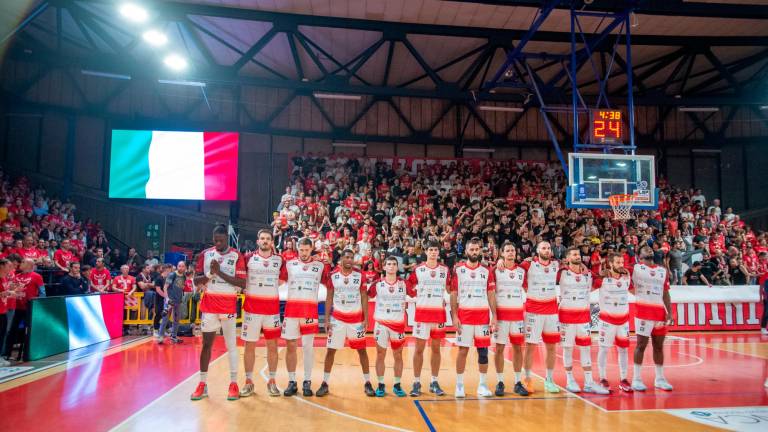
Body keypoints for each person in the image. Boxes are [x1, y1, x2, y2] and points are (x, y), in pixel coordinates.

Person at [190, 224, 247, 401]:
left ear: (227, 239)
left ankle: (233, 383)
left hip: (228, 304)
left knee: (231, 345)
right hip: (209, 305)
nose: (218, 243)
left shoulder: (236, 255)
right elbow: (196, 280)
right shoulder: (205, 254)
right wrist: (210, 274)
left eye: (221, 240)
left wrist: (219, 272)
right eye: (215, 240)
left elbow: (242, 283)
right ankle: (202, 383)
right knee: (206, 345)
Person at [316, 249, 375, 397]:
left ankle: (368, 383)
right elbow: (329, 297)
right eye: (346, 257)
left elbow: (364, 297)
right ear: (341, 258)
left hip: (356, 320)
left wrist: (366, 318)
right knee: (331, 351)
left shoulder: (359, 275)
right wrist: (327, 319)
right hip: (337, 319)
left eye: (352, 257)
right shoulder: (333, 275)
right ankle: (325, 383)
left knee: (362, 351)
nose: (349, 259)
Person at [279, 237, 330, 397]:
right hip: (292, 311)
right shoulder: (289, 264)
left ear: (311, 249)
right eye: (301, 250)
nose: (304, 253)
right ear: (297, 249)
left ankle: (307, 381)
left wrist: (329, 262)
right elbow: (279, 281)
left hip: (309, 311)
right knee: (291, 347)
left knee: (308, 348)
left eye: (307, 250)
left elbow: (329, 284)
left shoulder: (320, 266)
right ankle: (292, 381)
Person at [557, 247, 608, 394]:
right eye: (573, 254)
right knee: (568, 348)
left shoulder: (588, 274)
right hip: (566, 316)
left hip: (583, 317)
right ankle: (570, 380)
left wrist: (606, 272)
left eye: (578, 254)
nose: (577, 256)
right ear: (567, 258)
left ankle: (589, 382)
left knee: (585, 348)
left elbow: (599, 280)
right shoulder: (561, 273)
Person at [450, 237, 497, 398]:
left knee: (483, 352)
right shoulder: (458, 270)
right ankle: (459, 385)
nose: (474, 252)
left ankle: (482, 385)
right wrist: (454, 316)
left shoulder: (486, 271)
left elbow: (491, 295)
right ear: (466, 251)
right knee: (462, 351)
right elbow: (454, 294)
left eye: (477, 249)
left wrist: (494, 316)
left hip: (483, 317)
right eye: (472, 249)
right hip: (465, 316)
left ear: (480, 251)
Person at [240, 230, 283, 398]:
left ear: (272, 242)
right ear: (258, 241)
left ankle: (272, 381)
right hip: (252, 310)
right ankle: (248, 382)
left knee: (272, 346)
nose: (265, 241)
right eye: (262, 238)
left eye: (268, 239)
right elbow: (241, 279)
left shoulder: (279, 260)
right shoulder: (248, 258)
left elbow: (281, 281)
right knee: (249, 346)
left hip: (271, 311)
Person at [406, 240, 450, 397]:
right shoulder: (418, 269)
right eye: (430, 249)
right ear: (426, 251)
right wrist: (416, 295)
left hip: (438, 314)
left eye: (435, 250)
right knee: (419, 349)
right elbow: (408, 285)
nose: (433, 252)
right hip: (422, 314)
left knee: (436, 349)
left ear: (438, 252)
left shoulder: (445, 270)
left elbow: (450, 288)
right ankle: (416, 382)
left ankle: (434, 381)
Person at [368, 256, 414, 397]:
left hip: (398, 325)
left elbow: (415, 294)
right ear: (384, 267)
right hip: (381, 324)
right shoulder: (377, 284)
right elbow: (365, 295)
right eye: (389, 264)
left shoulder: (404, 284)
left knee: (398, 355)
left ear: (397, 267)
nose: (392, 266)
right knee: (380, 354)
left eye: (394, 264)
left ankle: (397, 385)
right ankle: (381, 384)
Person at [520, 241, 561, 393]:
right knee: (530, 346)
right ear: (537, 250)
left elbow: (573, 266)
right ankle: (527, 379)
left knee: (551, 347)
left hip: (551, 311)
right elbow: (510, 267)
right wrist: (499, 261)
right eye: (543, 248)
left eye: (548, 248)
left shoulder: (556, 264)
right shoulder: (528, 264)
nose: (546, 250)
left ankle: (549, 380)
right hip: (533, 310)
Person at [631, 246, 673, 392]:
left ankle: (660, 379)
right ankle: (636, 379)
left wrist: (670, 312)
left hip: (659, 312)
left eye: (650, 249)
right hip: (643, 311)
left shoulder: (663, 270)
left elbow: (666, 293)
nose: (649, 250)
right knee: (641, 345)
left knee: (659, 346)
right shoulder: (636, 268)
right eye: (645, 249)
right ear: (639, 256)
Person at [492, 241, 529, 396]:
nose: (510, 253)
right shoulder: (495, 270)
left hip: (517, 316)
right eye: (507, 251)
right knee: (499, 349)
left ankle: (517, 381)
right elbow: (491, 293)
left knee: (517, 348)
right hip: (501, 316)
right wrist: (493, 315)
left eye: (513, 250)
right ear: (502, 253)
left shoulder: (522, 271)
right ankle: (500, 382)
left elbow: (527, 289)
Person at [595, 252, 633, 393]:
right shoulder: (603, 278)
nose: (621, 265)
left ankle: (623, 379)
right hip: (607, 321)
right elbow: (588, 287)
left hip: (623, 321)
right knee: (604, 349)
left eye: (622, 262)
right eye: (617, 262)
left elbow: (633, 290)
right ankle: (602, 378)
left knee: (623, 350)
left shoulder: (626, 276)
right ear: (610, 263)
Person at [157, 261, 187, 344]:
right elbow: (165, 287)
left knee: (176, 319)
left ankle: (173, 336)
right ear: (177, 266)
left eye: (182, 266)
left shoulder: (184, 276)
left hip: (178, 300)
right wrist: (167, 299)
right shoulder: (172, 275)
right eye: (179, 266)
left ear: (185, 267)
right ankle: (160, 336)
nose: (181, 268)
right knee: (165, 318)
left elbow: (181, 287)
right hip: (170, 300)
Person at [152, 264, 172, 337]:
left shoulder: (167, 279)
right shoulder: (159, 279)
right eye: (170, 270)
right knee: (158, 314)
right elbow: (158, 290)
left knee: (165, 315)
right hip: (159, 300)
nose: (170, 272)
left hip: (166, 300)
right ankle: (155, 330)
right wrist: (166, 297)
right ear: (165, 270)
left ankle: (163, 330)